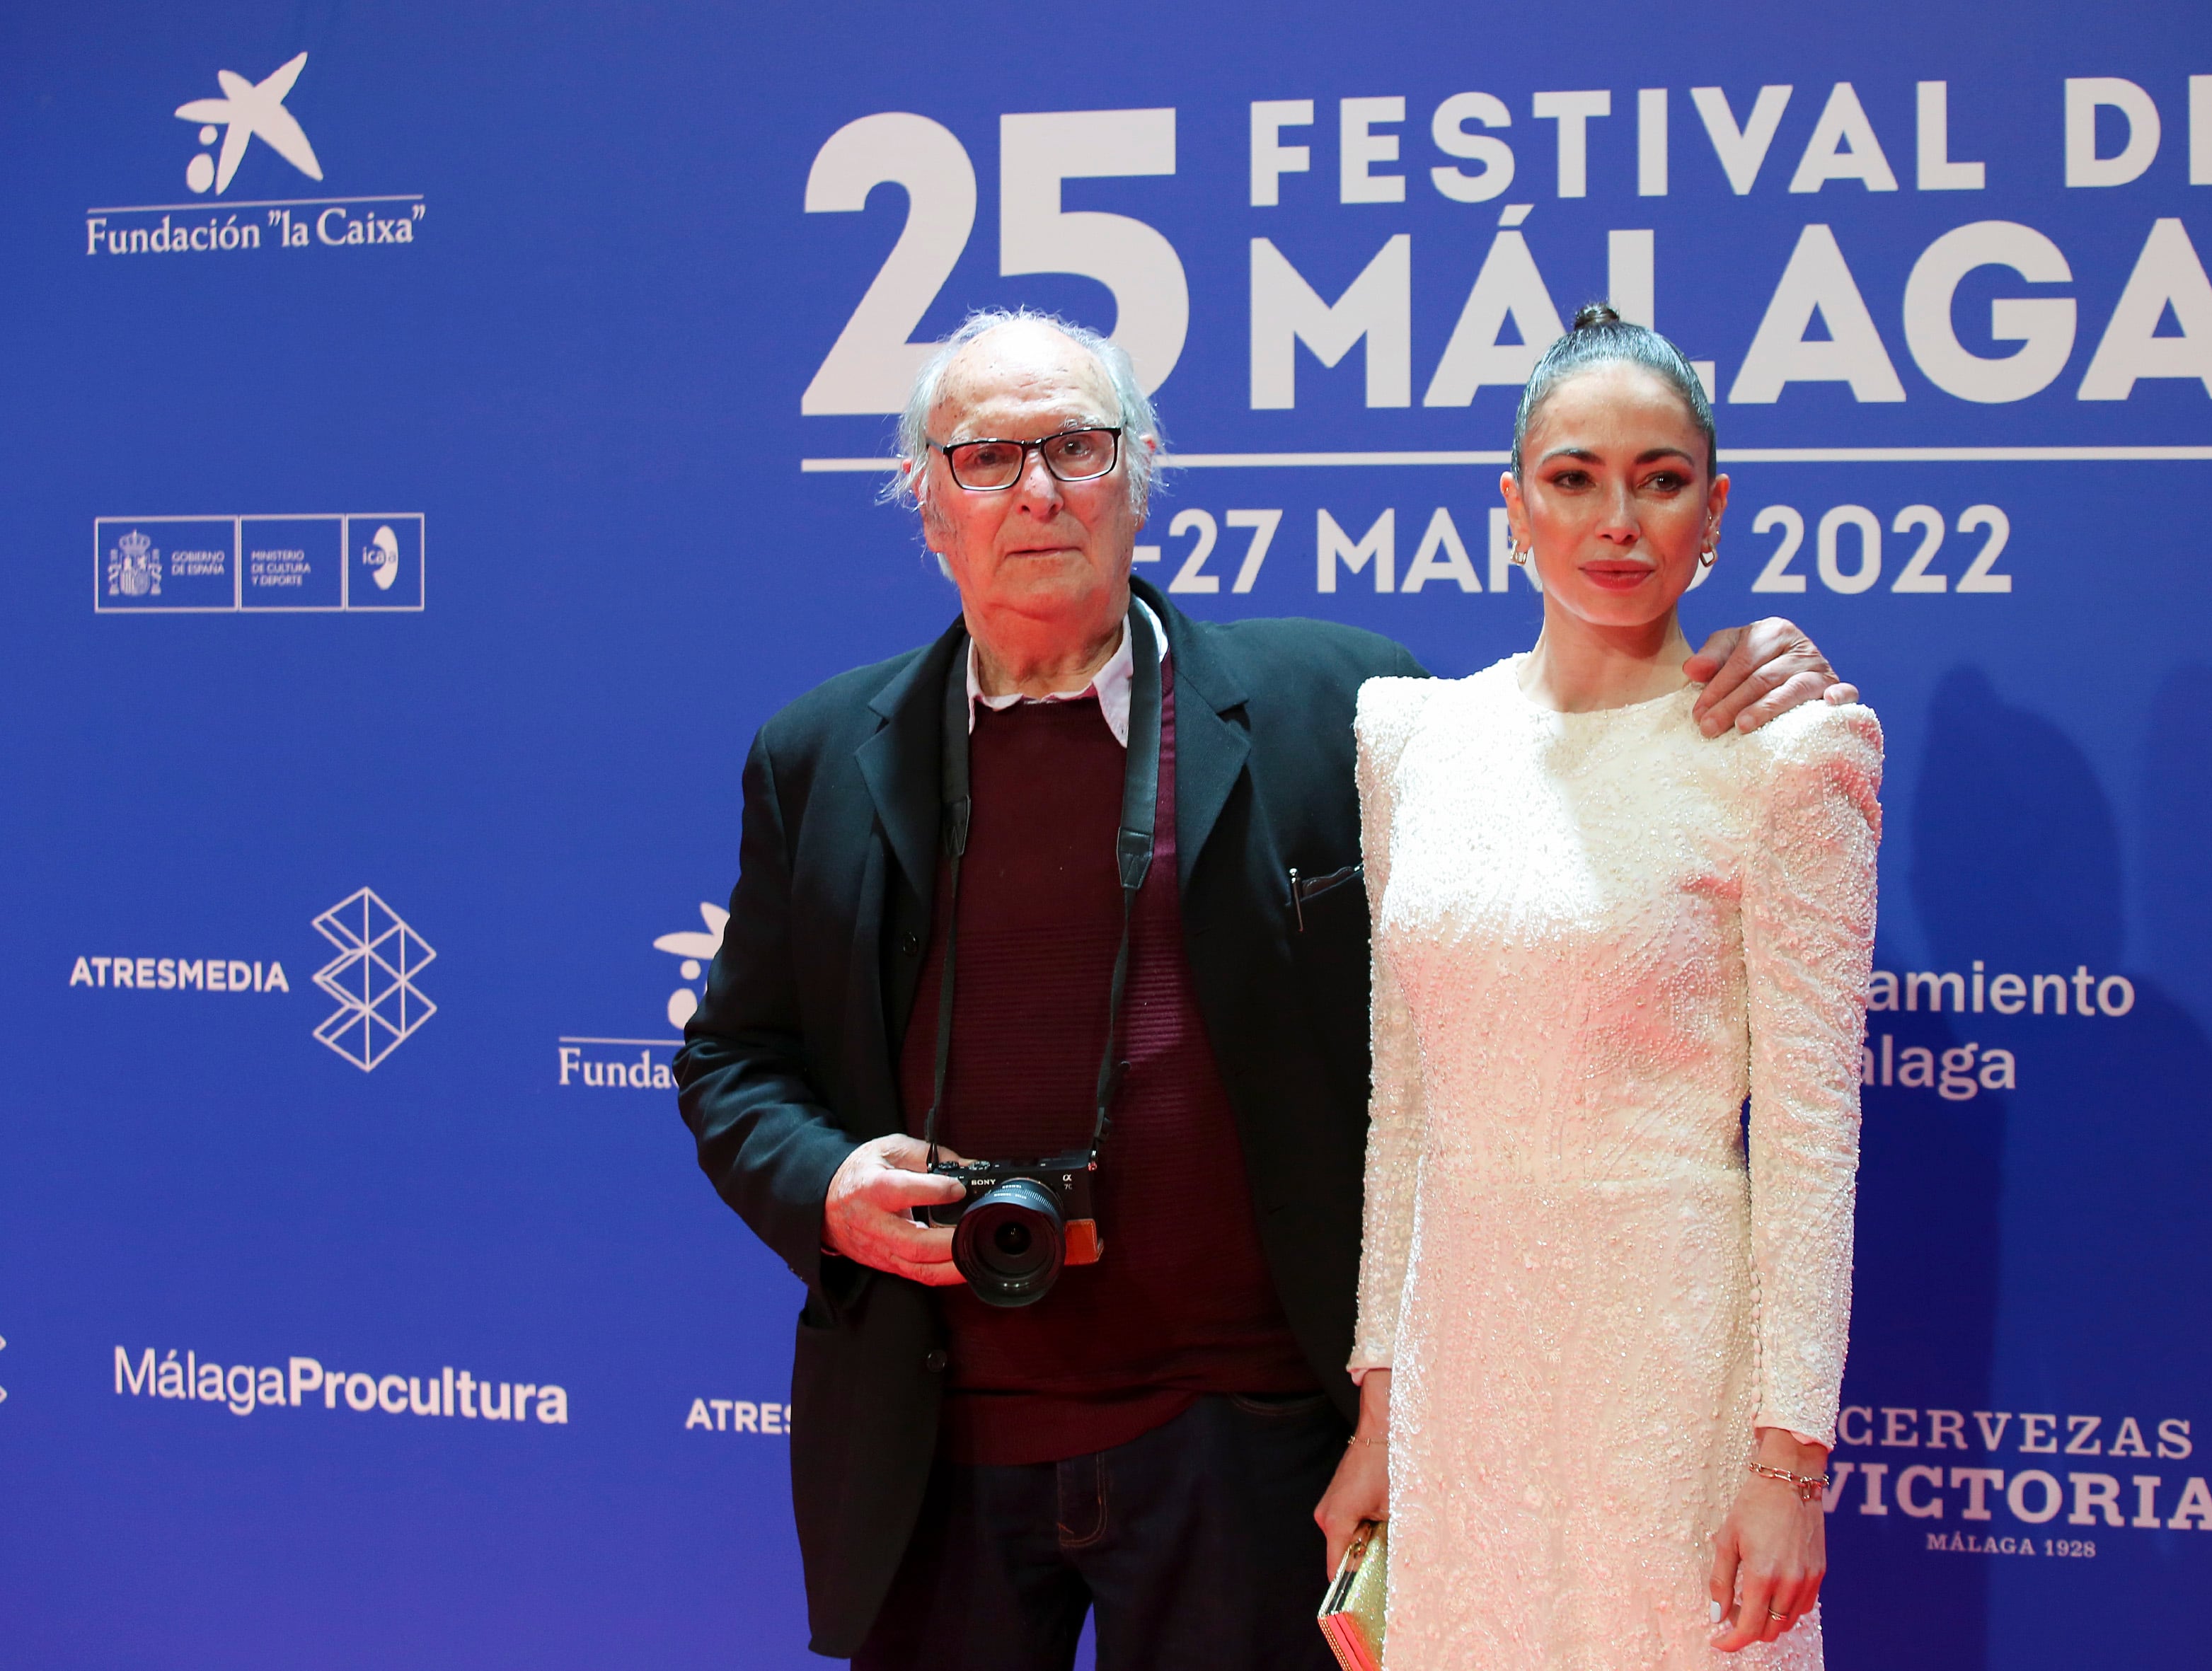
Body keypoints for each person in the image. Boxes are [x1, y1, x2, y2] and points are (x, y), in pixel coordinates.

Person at [674, 306, 1859, 1670]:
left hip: (1244, 1444)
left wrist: (1764, 674)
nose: (1040, 489)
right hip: (931, 1446)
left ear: (1144, 471)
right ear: (927, 504)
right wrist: (824, 1184)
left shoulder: (1339, 705)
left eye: (1077, 444)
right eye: (987, 457)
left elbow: (1572, 762)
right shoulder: (816, 754)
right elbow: (733, 1060)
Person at [1315, 305, 1879, 1670]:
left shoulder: (1788, 753)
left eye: (1661, 476)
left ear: (1716, 506)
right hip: (1464, 1373)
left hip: (1672, 1365)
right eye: (1573, 477)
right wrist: (1381, 1414)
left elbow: (1811, 1131)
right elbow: (1407, 1106)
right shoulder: (1415, 741)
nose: (1617, 517)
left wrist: (1790, 1461)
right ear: (1513, 506)